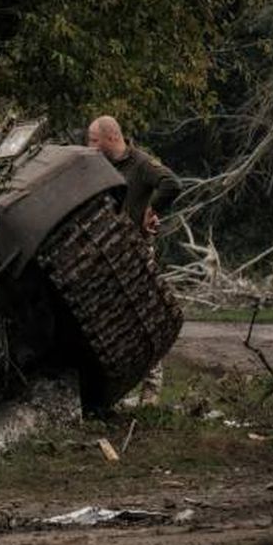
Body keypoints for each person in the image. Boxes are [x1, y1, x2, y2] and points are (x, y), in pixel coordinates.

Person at [87, 115, 182, 405]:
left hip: (136, 253)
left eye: (93, 140)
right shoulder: (98, 165)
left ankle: (151, 392)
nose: (89, 145)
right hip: (107, 254)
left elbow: (171, 183)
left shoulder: (140, 164)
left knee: (145, 318)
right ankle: (117, 389)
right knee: (110, 323)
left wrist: (151, 211)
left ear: (111, 137)